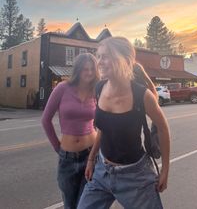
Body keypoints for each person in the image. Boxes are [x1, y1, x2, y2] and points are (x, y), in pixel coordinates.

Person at [77, 37, 170, 209]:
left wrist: (165, 169)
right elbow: (104, 129)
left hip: (135, 177)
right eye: (99, 56)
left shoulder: (142, 95)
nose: (100, 62)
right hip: (101, 172)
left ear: (125, 60)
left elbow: (163, 129)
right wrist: (91, 159)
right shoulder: (99, 88)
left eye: (106, 56)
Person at [41, 53, 99, 209]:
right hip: (67, 158)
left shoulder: (96, 91)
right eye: (84, 69)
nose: (88, 73)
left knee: (86, 204)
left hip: (91, 156)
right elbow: (45, 120)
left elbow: (103, 123)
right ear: (77, 70)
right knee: (70, 204)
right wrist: (58, 148)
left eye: (92, 69)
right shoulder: (62, 88)